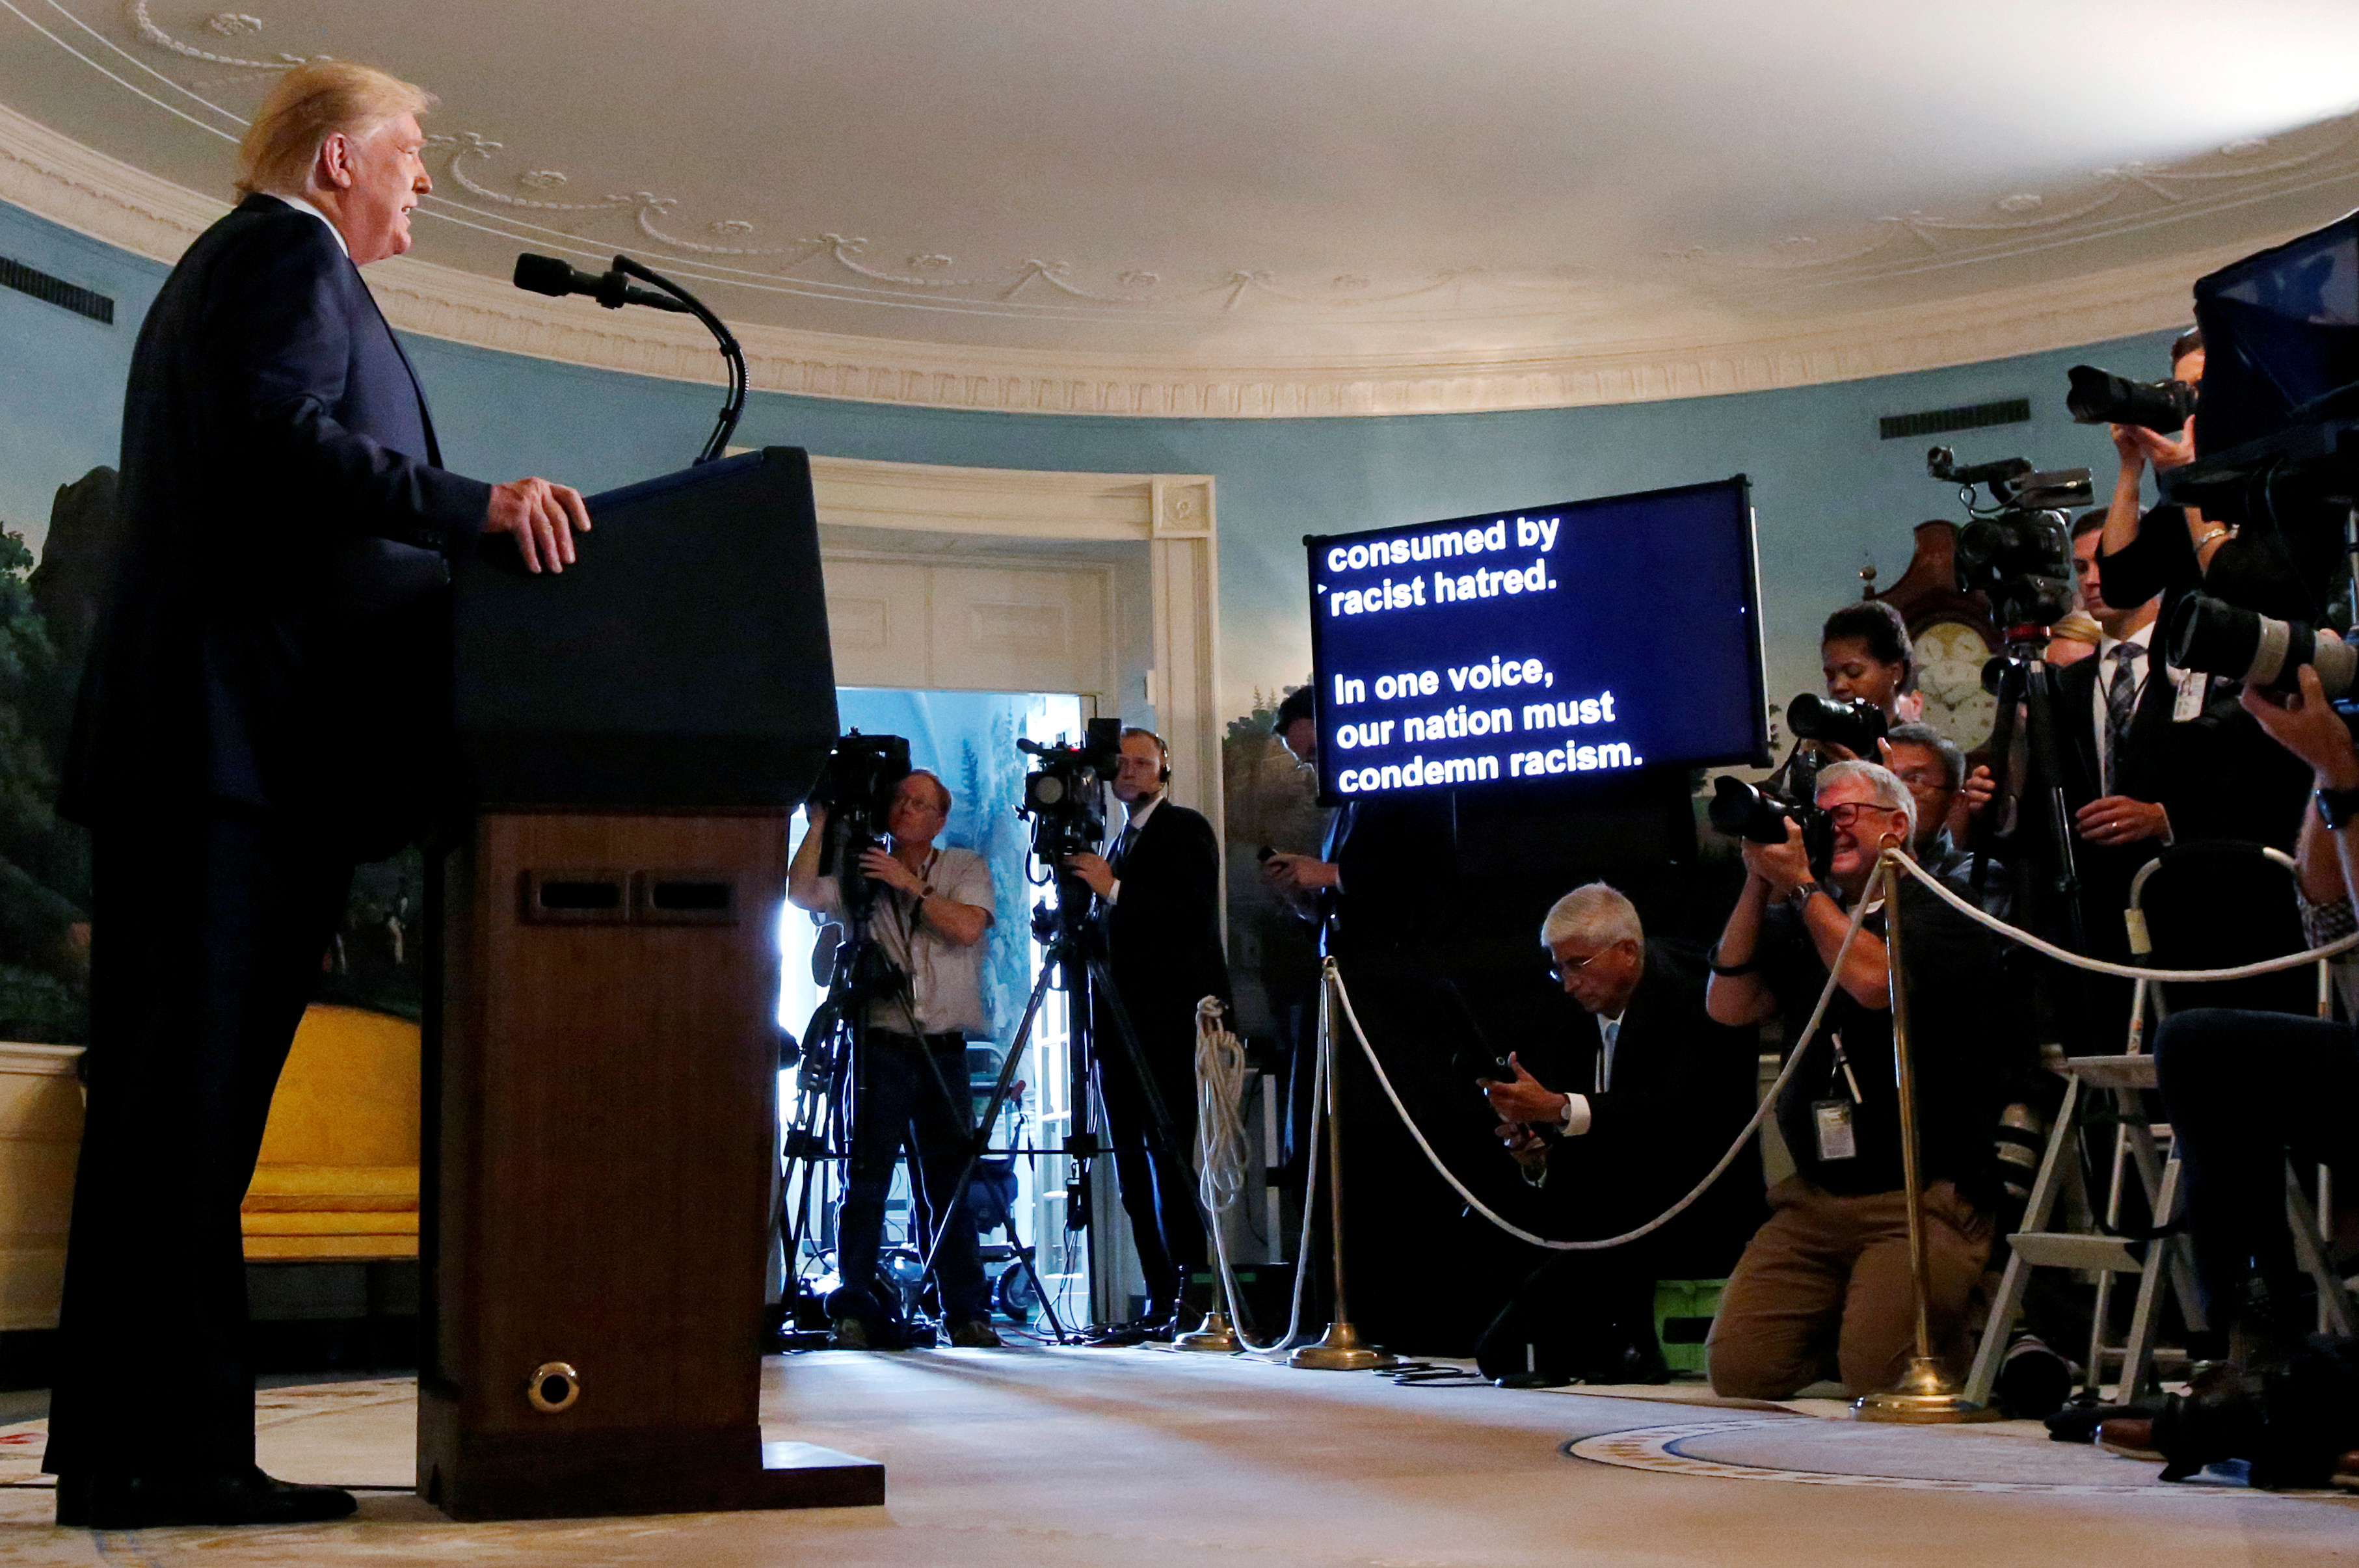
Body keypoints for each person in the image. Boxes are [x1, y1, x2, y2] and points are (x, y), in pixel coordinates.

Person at [45, 60, 591, 1530]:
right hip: (225, 764)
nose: (426, 184)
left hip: (209, 759)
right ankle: (183, 1456)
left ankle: (126, 1449)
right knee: (191, 1117)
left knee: (170, 1120)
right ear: (339, 157)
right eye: (411, 158)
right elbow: (284, 448)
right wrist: (476, 507)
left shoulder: (252, 268)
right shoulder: (287, 253)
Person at [1702, 761, 2027, 1399]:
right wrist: (1757, 881)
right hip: (1818, 1198)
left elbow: (1875, 983)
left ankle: (1982, 1315)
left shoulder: (1944, 902)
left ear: (1897, 826)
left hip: (1919, 1196)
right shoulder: (1805, 910)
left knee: (1884, 1378)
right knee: (1742, 1371)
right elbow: (1728, 1005)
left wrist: (1799, 886)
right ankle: (1860, 1314)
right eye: (1821, 814)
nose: (1830, 824)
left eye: (1846, 811)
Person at [1473, 884, 1762, 1385]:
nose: (1567, 983)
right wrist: (1536, 1157)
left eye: (1578, 964)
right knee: (1499, 1328)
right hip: (1609, 1218)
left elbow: (1676, 1115)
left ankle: (1615, 1344)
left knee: (1512, 1346)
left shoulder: (1699, 1004)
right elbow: (1593, 1140)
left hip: (1690, 1204)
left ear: (1628, 950)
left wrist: (1560, 1107)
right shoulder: (1573, 1036)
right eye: (1558, 968)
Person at [787, 769, 1002, 1351]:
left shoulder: (963, 867)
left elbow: (965, 927)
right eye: (901, 799)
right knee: (865, 1178)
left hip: (942, 1046)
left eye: (921, 803)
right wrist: (820, 824)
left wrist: (908, 884)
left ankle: (963, 1311)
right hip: (880, 1042)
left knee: (947, 1181)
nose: (907, 808)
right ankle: (852, 1306)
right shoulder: (865, 870)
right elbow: (803, 893)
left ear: (939, 819)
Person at [1062, 727, 1229, 1339]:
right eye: (1122, 763)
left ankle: (1192, 1295)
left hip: (1167, 1024)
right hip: (1116, 1022)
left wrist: (1111, 887)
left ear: (1164, 771)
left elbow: (1187, 916)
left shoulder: (1183, 828)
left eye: (1142, 763)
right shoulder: (1115, 840)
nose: (1129, 772)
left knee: (1167, 1157)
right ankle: (1162, 1296)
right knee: (1132, 1166)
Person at [2097, 327, 2336, 629]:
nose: (2196, 402)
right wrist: (2131, 465)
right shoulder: (2190, 479)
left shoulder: (2290, 474)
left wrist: (2189, 483)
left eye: (2204, 386)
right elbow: (2121, 587)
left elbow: (2248, 593)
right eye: (2186, 391)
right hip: (2182, 669)